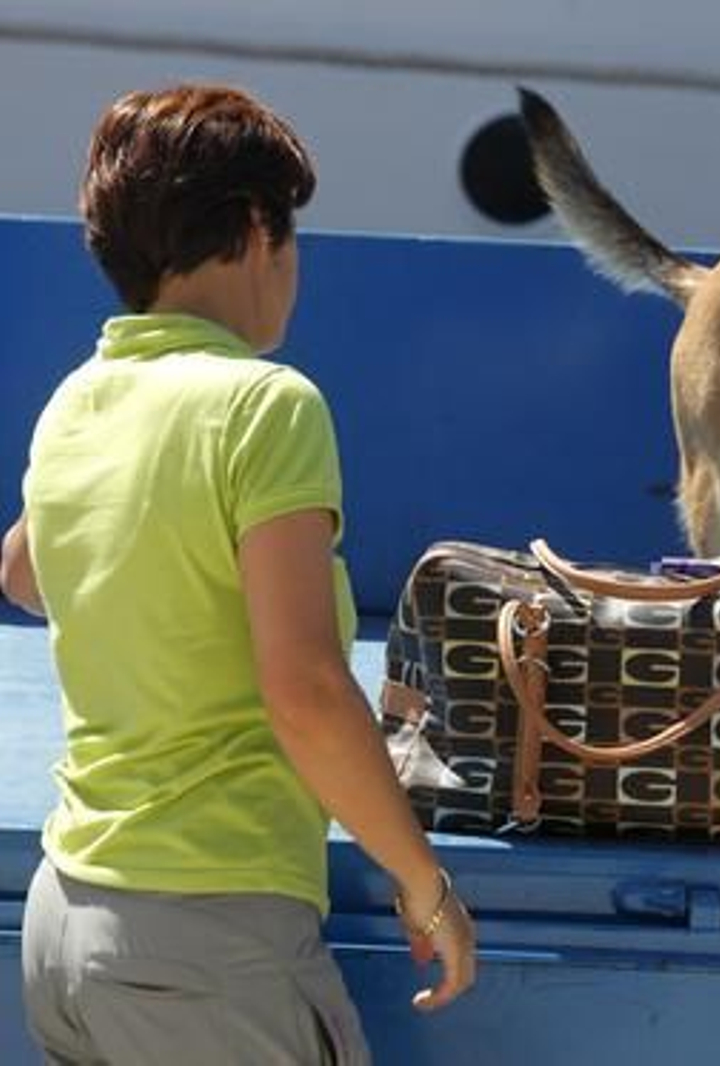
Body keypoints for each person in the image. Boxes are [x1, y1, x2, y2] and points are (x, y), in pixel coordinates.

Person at [0, 83, 475, 1064]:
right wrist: (422, 880)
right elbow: (303, 686)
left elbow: (23, 572)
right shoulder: (265, 406)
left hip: (64, 929)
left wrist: (161, 603)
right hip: (208, 945)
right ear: (257, 229)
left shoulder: (76, 404)